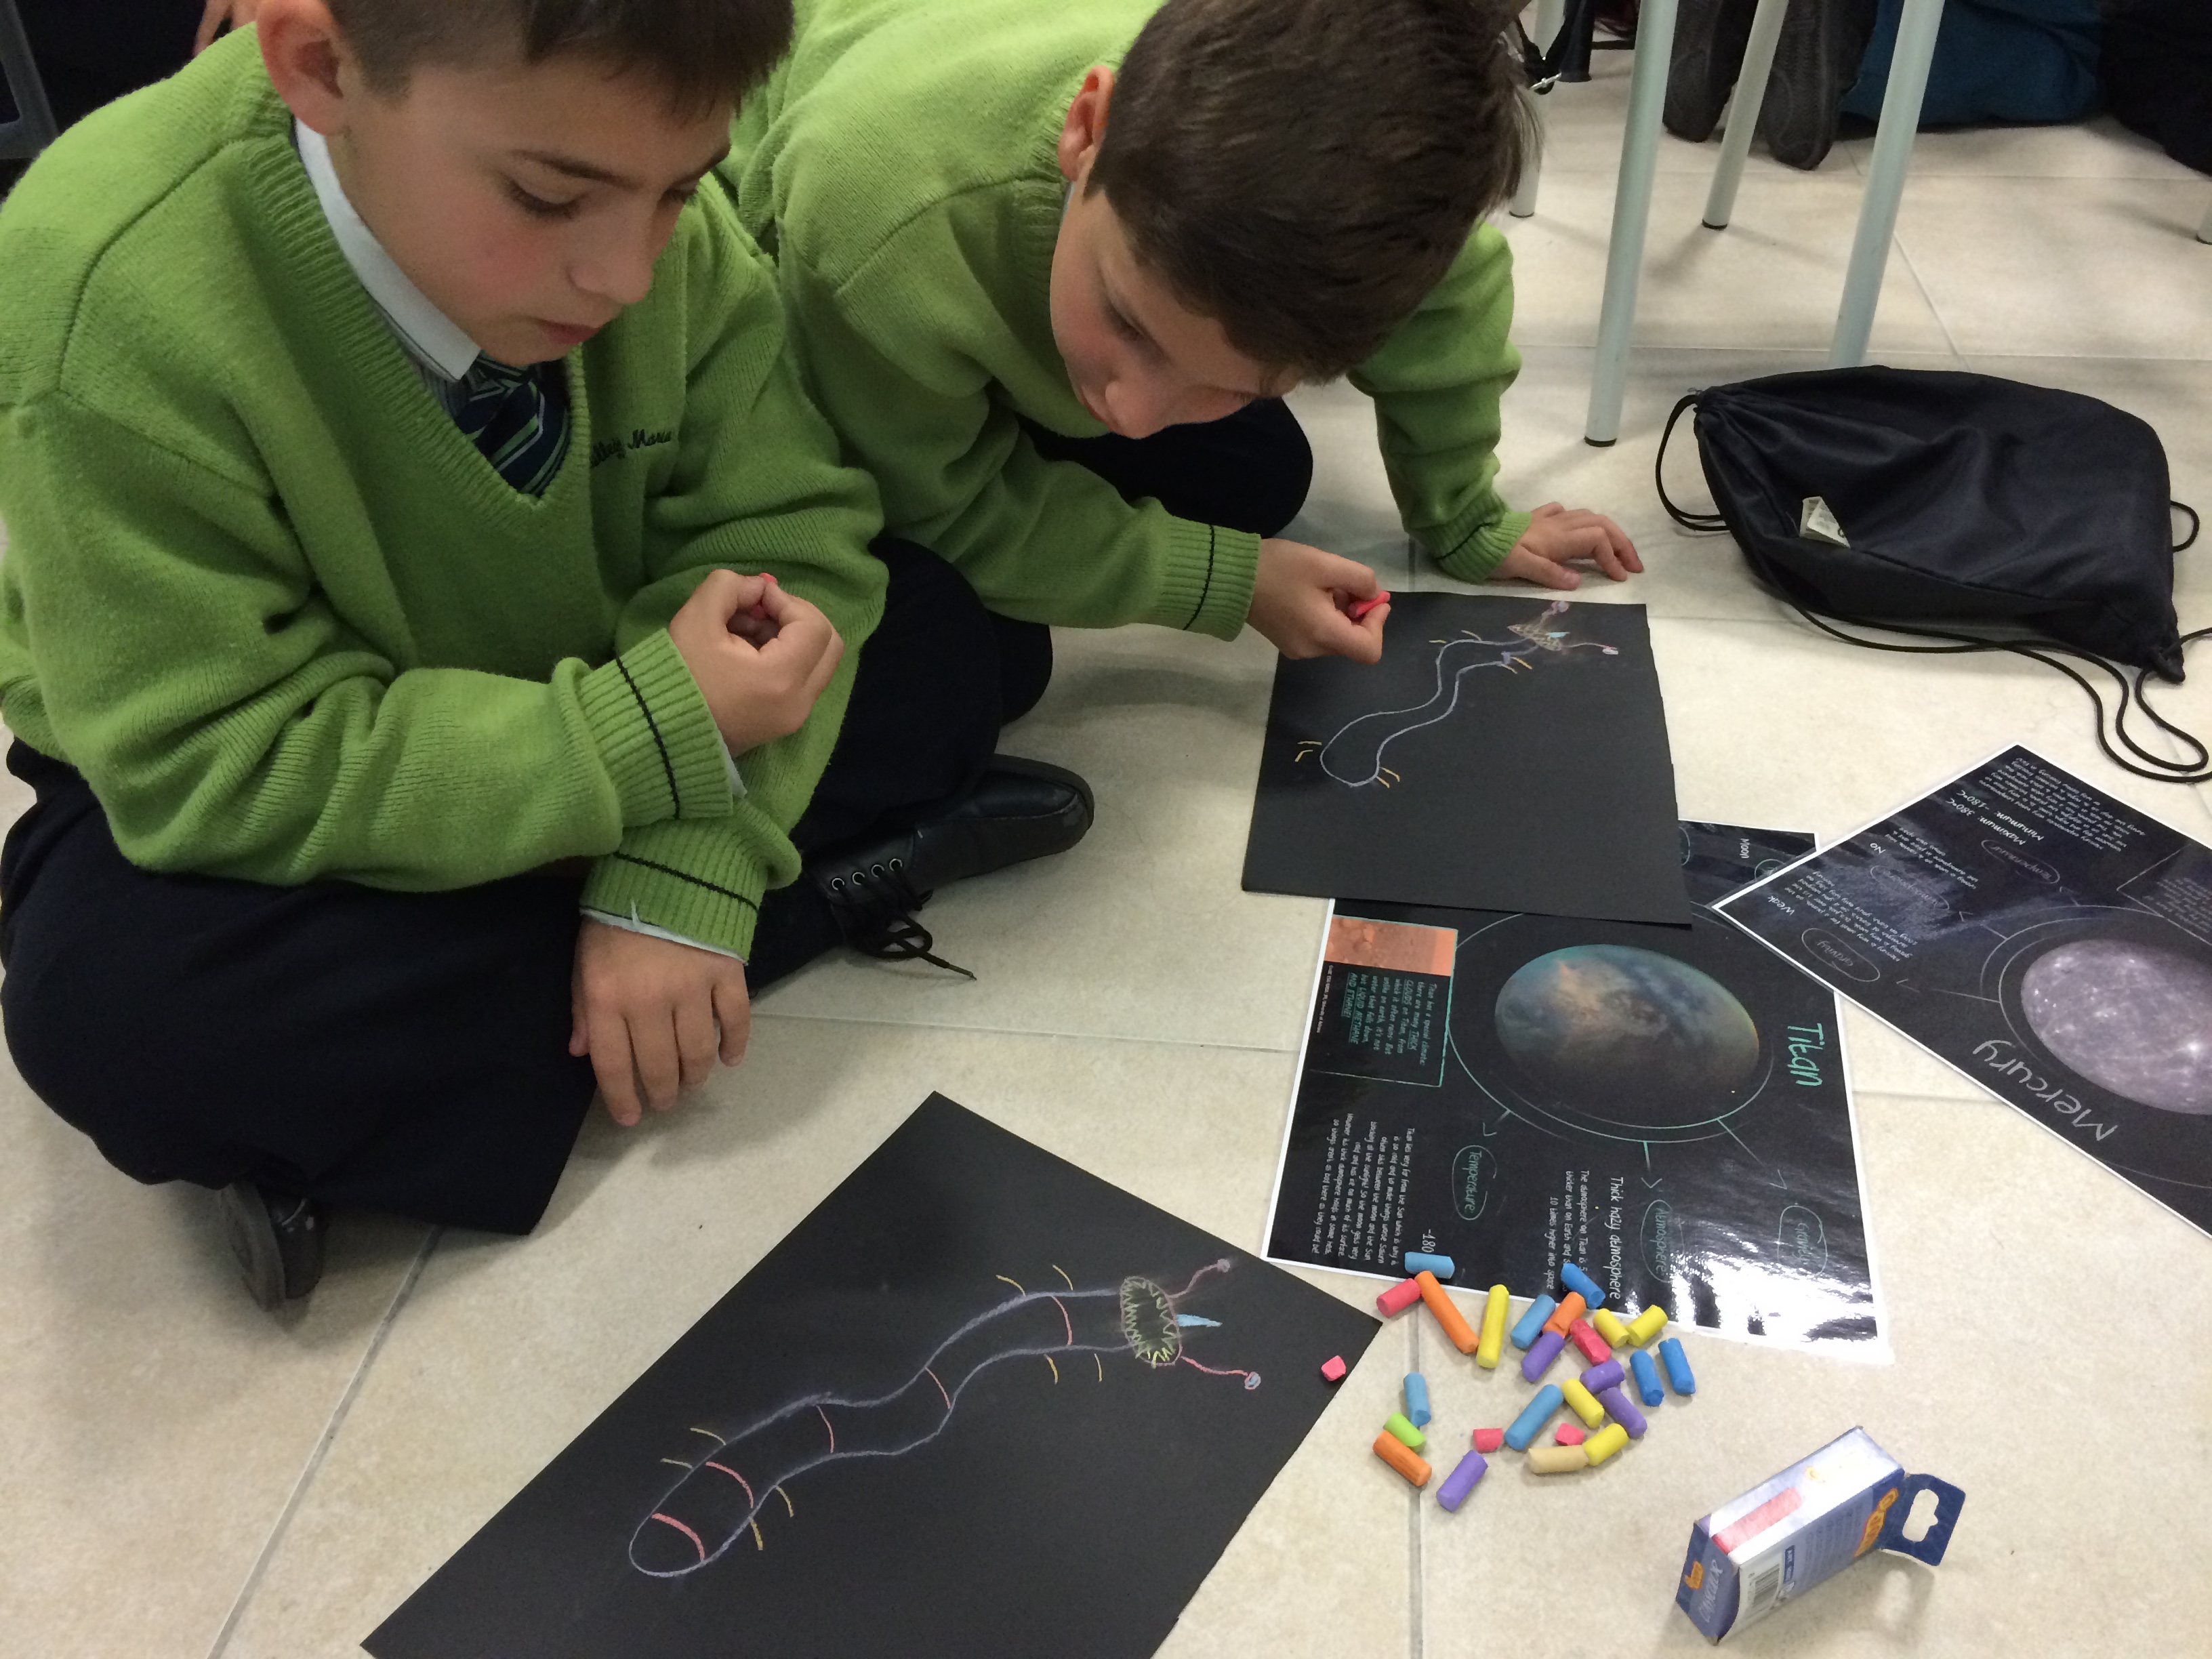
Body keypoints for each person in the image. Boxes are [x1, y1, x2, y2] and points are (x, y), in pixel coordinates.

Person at [0, 0, 1088, 1310]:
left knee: (960, 640)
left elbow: (786, 528)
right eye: (548, 197)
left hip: (595, 664)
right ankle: (806, 902)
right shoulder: (100, 287)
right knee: (113, 1015)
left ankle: (464, 1056)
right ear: (321, 67)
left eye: (680, 192)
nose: (624, 278)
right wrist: (657, 745)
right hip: (264, 741)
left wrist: (681, 866)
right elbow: (209, 759)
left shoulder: (634, 200)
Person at [717, 0, 1641, 706]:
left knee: (1260, 480)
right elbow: (946, 509)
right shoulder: (878, 224)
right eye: (1129, 324)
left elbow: (1454, 287)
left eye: (1231, 387)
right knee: (979, 661)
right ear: (1087, 130)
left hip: (978, 261)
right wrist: (1228, 583)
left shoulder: (1313, 205)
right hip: (823, 282)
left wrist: (1466, 516)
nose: (1130, 414)